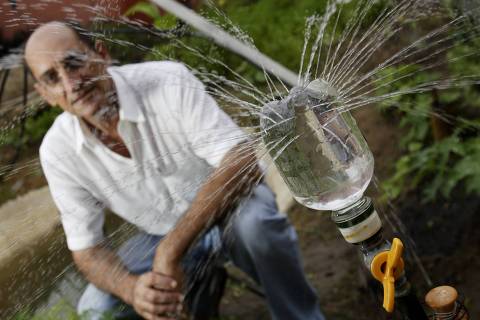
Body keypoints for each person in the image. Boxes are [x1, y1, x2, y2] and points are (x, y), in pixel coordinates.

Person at [25, 21, 325, 320]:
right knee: (96, 309)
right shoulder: (57, 151)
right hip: (158, 236)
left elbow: (241, 158)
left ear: (101, 54)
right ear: (45, 94)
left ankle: (300, 315)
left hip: (231, 210)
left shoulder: (167, 80)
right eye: (53, 78)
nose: (71, 83)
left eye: (75, 63)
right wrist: (133, 289)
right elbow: (87, 250)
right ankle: (199, 298)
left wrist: (170, 250)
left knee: (256, 225)